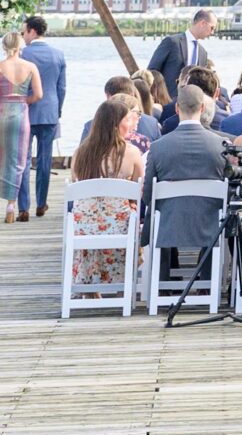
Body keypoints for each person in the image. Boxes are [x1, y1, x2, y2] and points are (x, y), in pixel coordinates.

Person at [140, 82, 227, 278]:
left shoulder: (158, 147)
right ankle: (208, 282)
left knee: (159, 213)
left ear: (177, 108)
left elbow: (148, 195)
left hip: (168, 224)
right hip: (209, 223)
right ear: (203, 108)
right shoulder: (222, 145)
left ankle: (162, 284)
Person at [66, 95, 145, 289]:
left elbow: (77, 185)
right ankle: (122, 287)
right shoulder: (132, 153)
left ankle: (90, 287)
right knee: (129, 214)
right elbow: (139, 193)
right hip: (119, 226)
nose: (131, 124)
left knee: (94, 210)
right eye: (127, 119)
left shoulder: (80, 153)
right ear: (115, 124)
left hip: (83, 226)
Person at [20, 15, 66, 221]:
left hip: (25, 111)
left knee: (23, 159)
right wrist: (58, 110)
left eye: (23, 32)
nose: (23, 36)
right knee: (45, 160)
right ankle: (41, 203)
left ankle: (23, 207)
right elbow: (61, 87)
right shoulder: (58, 54)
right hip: (49, 112)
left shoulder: (22, 54)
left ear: (32, 31)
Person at [0, 29, 42, 224]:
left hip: (2, 113)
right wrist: (25, 100)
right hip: (20, 113)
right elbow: (39, 95)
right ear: (20, 46)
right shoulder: (30, 66)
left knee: (2, 158)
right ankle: (11, 204)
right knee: (18, 161)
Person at [148, 8, 217, 94]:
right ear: (203, 23)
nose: (212, 32)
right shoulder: (172, 42)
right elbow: (152, 70)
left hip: (191, 103)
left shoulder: (203, 53)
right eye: (212, 28)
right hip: (167, 100)